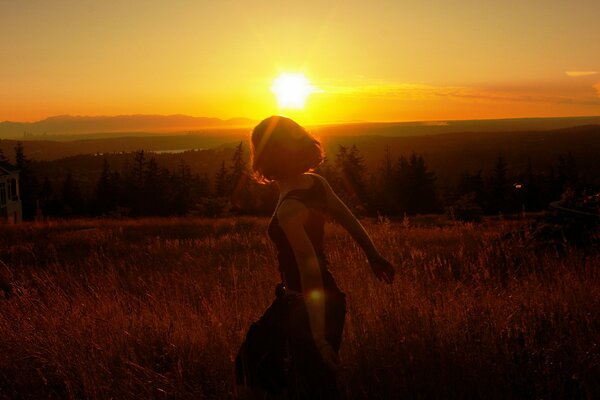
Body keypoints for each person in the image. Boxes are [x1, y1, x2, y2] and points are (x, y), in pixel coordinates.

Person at [235, 116, 395, 399]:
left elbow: (309, 271)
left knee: (308, 383)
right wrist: (374, 256)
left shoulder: (289, 209)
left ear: (263, 154)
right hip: (307, 300)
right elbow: (350, 220)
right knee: (256, 363)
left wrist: (319, 338)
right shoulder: (314, 184)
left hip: (308, 303)